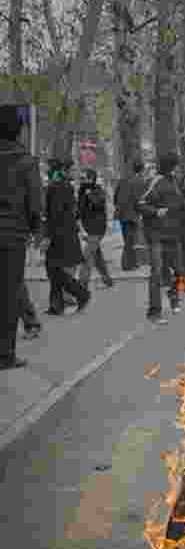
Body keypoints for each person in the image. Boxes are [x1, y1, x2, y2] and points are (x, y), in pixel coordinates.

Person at [0, 105, 43, 369]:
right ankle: (5, 353)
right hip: (12, 234)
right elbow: (35, 202)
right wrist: (36, 230)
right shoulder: (25, 160)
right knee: (9, 292)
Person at [137, 153, 185, 323]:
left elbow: (180, 204)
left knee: (180, 272)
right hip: (156, 235)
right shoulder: (155, 181)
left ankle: (173, 297)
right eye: (177, 166)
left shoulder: (176, 182)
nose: (179, 169)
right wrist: (156, 212)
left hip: (173, 234)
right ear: (171, 167)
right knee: (156, 273)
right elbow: (141, 204)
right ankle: (154, 312)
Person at [44, 159, 91, 316]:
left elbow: (56, 214)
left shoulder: (58, 186)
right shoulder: (63, 186)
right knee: (54, 269)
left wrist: (48, 236)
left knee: (54, 269)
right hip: (63, 234)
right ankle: (58, 304)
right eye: (74, 170)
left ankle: (79, 295)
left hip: (60, 235)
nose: (76, 173)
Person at [76, 168, 115, 289]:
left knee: (87, 256)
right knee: (97, 255)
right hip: (88, 228)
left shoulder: (98, 190)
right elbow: (80, 209)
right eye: (81, 178)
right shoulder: (81, 191)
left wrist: (90, 195)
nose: (82, 181)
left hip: (97, 228)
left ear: (91, 178)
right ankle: (107, 279)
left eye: (85, 178)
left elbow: (99, 204)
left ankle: (82, 284)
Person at [114, 161, 147, 270]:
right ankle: (127, 264)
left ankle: (132, 262)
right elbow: (140, 200)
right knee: (130, 240)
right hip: (132, 214)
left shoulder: (123, 179)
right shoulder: (140, 182)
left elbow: (115, 196)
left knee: (127, 239)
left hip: (121, 213)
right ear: (142, 170)